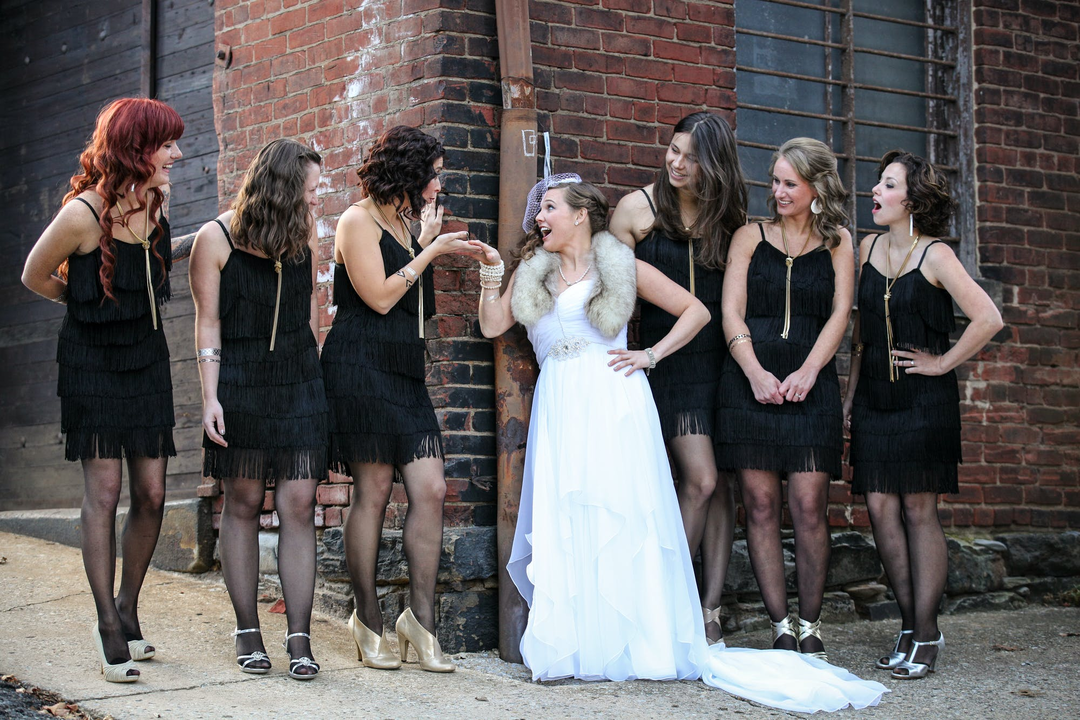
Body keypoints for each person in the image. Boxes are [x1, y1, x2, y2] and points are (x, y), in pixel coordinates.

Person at [471, 175, 712, 681]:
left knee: (620, 511)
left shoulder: (617, 265)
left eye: (550, 208)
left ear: (580, 214)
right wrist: (493, 274)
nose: (539, 217)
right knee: (567, 513)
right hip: (560, 403)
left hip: (614, 399)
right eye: (539, 210)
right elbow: (493, 325)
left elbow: (696, 311)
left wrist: (651, 354)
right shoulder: (533, 271)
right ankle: (579, 646)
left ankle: (638, 645)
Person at [21, 97, 184, 683]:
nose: (177, 154)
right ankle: (106, 624)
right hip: (91, 362)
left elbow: (153, 267)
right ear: (137, 148)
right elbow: (34, 274)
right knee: (106, 488)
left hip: (147, 362)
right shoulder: (81, 215)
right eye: (166, 145)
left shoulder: (157, 206)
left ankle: (128, 607)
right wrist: (85, 304)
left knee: (153, 492)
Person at [843, 151, 1003, 680]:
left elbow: (988, 317)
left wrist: (941, 363)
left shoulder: (936, 255)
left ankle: (928, 632)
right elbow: (863, 335)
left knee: (917, 511)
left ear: (911, 199)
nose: (875, 191)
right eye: (877, 183)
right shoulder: (866, 247)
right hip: (873, 401)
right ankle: (909, 625)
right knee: (880, 511)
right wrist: (849, 397)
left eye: (887, 185)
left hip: (921, 402)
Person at [321, 126, 471, 673]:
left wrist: (424, 240)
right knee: (375, 489)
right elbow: (382, 298)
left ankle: (421, 620)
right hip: (358, 365)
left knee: (430, 487)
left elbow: (418, 310)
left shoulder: (410, 222)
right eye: (434, 173)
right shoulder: (356, 220)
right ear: (408, 174)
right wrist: (430, 249)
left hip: (403, 373)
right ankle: (368, 619)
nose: (440, 182)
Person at [189, 139, 328, 680]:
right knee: (243, 502)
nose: (317, 200)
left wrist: (314, 380)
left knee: (298, 503)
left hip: (298, 382)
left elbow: (309, 317)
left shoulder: (304, 234)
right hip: (240, 382)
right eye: (311, 190)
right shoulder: (215, 238)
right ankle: (248, 629)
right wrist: (210, 397)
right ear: (283, 188)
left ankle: (299, 637)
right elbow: (207, 322)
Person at [610, 111, 747, 645]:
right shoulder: (635, 211)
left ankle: (709, 610)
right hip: (665, 360)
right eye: (673, 149)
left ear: (713, 165)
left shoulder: (729, 217)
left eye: (690, 156)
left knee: (721, 488)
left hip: (723, 361)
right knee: (701, 478)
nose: (676, 162)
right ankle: (669, 603)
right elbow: (614, 299)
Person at [714, 138, 854, 661]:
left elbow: (840, 314)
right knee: (760, 506)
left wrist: (810, 371)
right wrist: (753, 372)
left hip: (810, 388)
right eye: (774, 181)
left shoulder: (840, 241)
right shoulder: (749, 238)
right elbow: (732, 312)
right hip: (749, 388)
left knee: (810, 505)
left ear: (817, 187)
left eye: (789, 183)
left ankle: (812, 623)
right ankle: (780, 625)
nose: (777, 192)